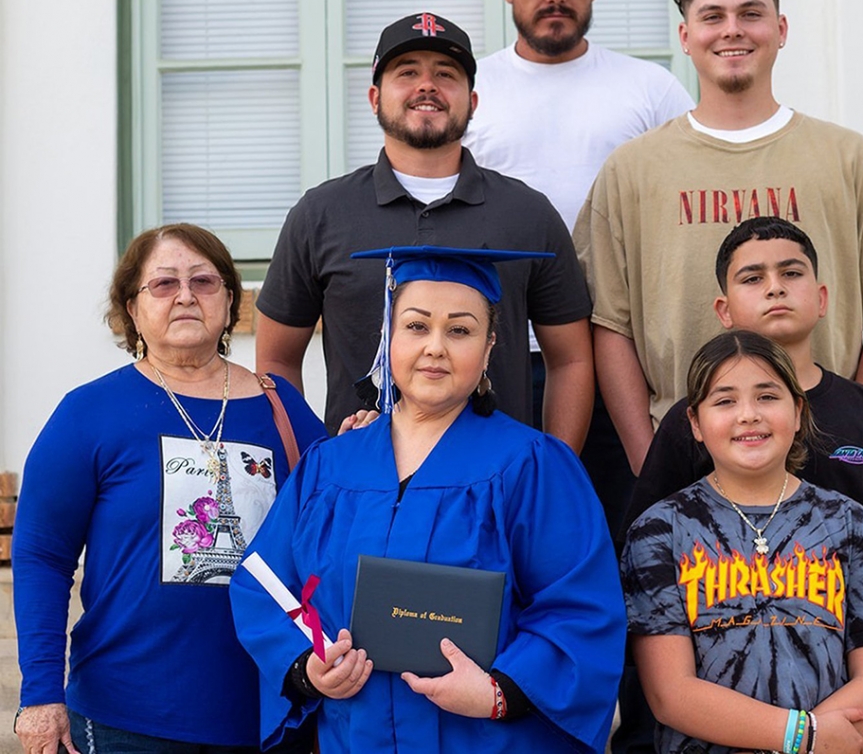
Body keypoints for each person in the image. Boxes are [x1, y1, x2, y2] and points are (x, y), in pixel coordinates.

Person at [230, 246, 627, 754]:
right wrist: (308, 668)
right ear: (387, 339)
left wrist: (497, 691)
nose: (435, 347)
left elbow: (579, 609)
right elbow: (263, 584)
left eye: (459, 330)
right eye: (417, 326)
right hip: (353, 738)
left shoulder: (531, 465)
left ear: (488, 350)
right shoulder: (328, 467)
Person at [573, 0, 863, 476]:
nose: (732, 30)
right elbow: (611, 328)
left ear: (781, 29)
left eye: (751, 13)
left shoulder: (849, 158)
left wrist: (853, 442)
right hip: (687, 458)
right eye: (712, 16)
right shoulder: (631, 171)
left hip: (825, 462)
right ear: (686, 36)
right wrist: (646, 456)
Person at [624, 217, 863, 754]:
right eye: (753, 277)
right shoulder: (667, 516)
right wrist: (801, 737)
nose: (748, 416)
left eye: (790, 273)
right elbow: (664, 664)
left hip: (841, 708)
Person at [12, 224, 337, 754]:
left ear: (231, 301)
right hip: (128, 716)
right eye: (163, 284)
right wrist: (42, 694)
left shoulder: (284, 411)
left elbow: (332, 534)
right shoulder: (88, 414)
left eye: (204, 282)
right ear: (132, 308)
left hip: (270, 708)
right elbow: (41, 557)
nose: (186, 295)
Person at [255, 12, 594, 454]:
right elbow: (277, 360)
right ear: (375, 97)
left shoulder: (528, 214)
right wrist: (310, 467)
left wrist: (552, 468)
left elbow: (570, 360)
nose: (427, 85)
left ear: (473, 101)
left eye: (445, 74)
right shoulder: (321, 214)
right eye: (407, 72)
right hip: (361, 484)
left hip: (500, 486)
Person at [463, 0, 693, 543]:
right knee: (499, 534)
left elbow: (682, 214)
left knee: (619, 532)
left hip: (618, 354)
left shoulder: (651, 89)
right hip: (498, 356)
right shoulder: (473, 88)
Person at [622, 330, 863, 754]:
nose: (748, 414)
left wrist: (815, 743)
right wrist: (801, 737)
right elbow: (670, 693)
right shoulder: (660, 531)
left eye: (767, 397)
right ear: (695, 424)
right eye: (724, 401)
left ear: (797, 412)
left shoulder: (850, 523)